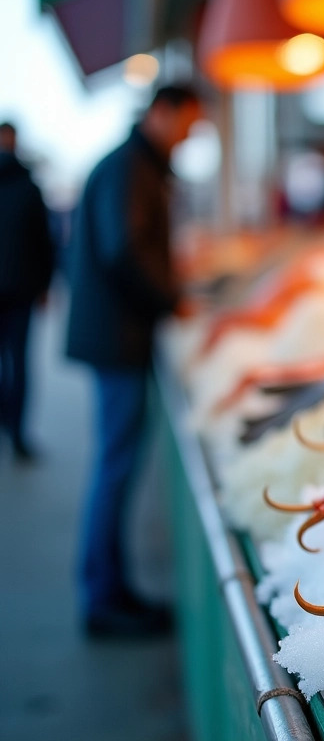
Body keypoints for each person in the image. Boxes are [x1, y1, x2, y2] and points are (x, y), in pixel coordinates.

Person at [66, 84, 201, 638]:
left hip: (116, 333)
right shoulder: (130, 168)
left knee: (115, 462)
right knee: (115, 464)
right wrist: (171, 298)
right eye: (187, 125)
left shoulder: (136, 164)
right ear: (160, 113)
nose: (189, 137)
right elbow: (122, 249)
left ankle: (109, 588)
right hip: (115, 336)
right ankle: (103, 598)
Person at [0, 122, 55, 462]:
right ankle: (16, 431)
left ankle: (14, 428)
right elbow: (45, 243)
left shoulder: (30, 187)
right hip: (21, 289)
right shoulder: (29, 186)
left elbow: (43, 242)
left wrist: (45, 283)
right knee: (19, 364)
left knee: (18, 364)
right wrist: (45, 284)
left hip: (21, 289)